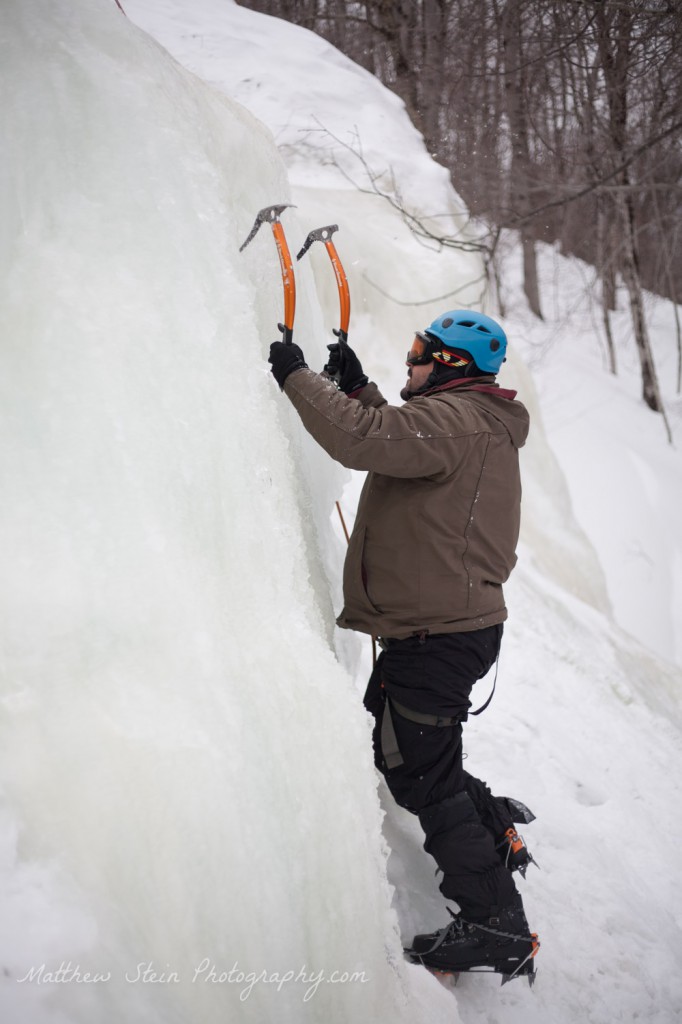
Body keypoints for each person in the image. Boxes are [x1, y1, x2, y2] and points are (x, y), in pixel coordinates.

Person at [268, 310, 539, 982]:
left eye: (423, 351)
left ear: (452, 364)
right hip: (442, 630)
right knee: (417, 754)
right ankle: (494, 833)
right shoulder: (467, 420)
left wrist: (297, 377)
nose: (411, 359)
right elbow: (403, 444)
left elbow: (368, 441)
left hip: (437, 635)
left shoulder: (461, 418)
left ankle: (493, 923)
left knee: (418, 768)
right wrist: (359, 390)